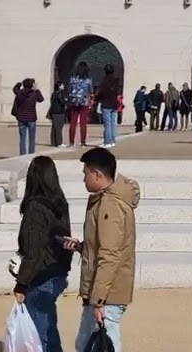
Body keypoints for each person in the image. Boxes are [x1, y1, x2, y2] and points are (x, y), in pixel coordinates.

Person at [64, 147, 140, 352]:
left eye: (85, 174)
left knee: (102, 344)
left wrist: (98, 301)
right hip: (103, 291)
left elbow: (110, 255)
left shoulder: (109, 206)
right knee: (86, 344)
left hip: (107, 293)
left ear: (97, 175)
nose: (83, 179)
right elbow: (105, 246)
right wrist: (82, 247)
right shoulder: (105, 201)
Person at [12, 155, 73, 352]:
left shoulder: (36, 208)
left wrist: (21, 285)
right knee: (47, 330)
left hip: (41, 277)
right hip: (57, 273)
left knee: (42, 336)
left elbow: (33, 251)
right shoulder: (60, 204)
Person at [11, 79, 44, 156]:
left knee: (22, 138)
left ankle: (22, 154)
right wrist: (37, 90)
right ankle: (31, 154)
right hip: (31, 118)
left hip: (21, 117)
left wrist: (19, 83)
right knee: (32, 139)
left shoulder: (20, 93)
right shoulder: (34, 93)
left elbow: (15, 89)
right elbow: (41, 99)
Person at [66, 62, 94, 148]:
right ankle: (83, 142)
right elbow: (91, 91)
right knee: (83, 123)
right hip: (84, 102)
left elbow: (69, 90)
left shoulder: (72, 79)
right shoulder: (88, 80)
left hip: (74, 102)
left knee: (73, 123)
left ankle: (71, 142)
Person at [98, 65, 122, 148]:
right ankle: (112, 140)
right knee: (112, 123)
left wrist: (98, 99)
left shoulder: (105, 80)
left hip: (106, 103)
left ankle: (107, 141)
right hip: (114, 103)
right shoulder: (116, 80)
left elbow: (101, 92)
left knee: (107, 124)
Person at [47, 82, 68, 148]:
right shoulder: (60, 93)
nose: (63, 86)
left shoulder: (54, 93)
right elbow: (61, 102)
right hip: (59, 112)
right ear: (59, 86)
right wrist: (65, 100)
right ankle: (59, 142)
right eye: (62, 85)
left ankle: (53, 142)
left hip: (54, 112)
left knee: (54, 128)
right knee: (59, 128)